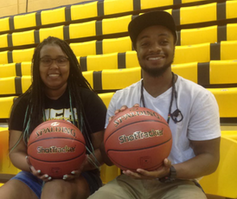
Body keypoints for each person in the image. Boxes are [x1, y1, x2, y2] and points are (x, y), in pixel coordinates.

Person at [88, 10, 221, 199]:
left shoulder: (199, 96)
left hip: (179, 183)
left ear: (174, 45)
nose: (155, 48)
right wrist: (114, 133)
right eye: (145, 43)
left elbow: (210, 159)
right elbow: (109, 159)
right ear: (136, 49)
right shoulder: (120, 98)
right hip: (129, 183)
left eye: (163, 41)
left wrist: (169, 171)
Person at [0, 36, 107, 199]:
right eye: (46, 60)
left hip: (79, 176)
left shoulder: (88, 100)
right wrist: (32, 165)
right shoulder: (24, 104)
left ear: (70, 64)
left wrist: (81, 164)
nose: (54, 66)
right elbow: (16, 152)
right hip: (34, 176)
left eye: (61, 60)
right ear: (37, 66)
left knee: (55, 190)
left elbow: (103, 149)